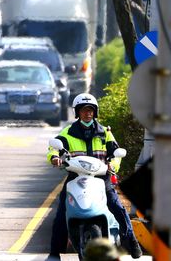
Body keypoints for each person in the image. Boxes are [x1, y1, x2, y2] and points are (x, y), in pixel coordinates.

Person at [46, 93, 142, 260]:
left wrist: (113, 166)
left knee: (116, 205)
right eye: (84, 110)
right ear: (77, 112)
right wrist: (55, 158)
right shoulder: (68, 132)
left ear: (95, 112)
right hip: (75, 177)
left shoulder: (105, 132)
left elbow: (116, 153)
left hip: (100, 178)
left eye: (91, 110)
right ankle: (55, 252)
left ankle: (131, 241)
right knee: (62, 210)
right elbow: (54, 148)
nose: (88, 113)